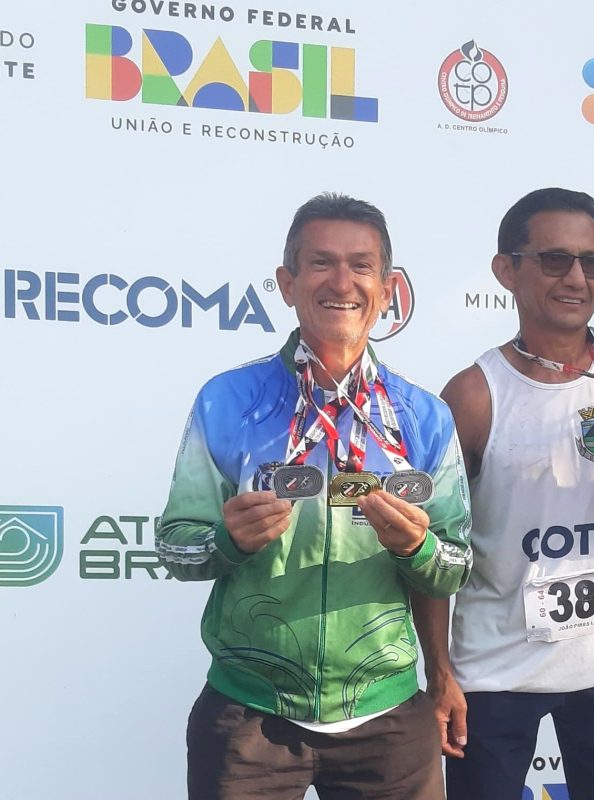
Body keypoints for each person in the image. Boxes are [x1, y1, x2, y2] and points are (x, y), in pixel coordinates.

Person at [156, 192, 472, 800]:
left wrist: (418, 548)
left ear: (387, 288)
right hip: (250, 717)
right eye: (321, 262)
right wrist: (226, 541)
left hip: (389, 719)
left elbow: (456, 567)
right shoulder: (226, 401)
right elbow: (177, 550)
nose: (342, 281)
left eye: (361, 265)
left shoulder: (423, 417)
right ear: (287, 281)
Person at [412, 187, 594, 800]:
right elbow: (432, 553)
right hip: (495, 675)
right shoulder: (473, 395)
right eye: (553, 259)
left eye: (591, 262)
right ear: (506, 270)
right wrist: (439, 672)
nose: (576, 277)